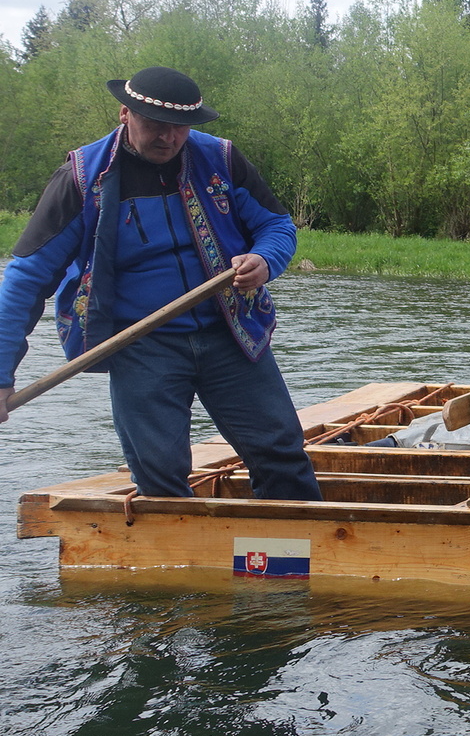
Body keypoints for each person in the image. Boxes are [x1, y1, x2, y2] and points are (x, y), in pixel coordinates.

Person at [0, 67, 322, 501]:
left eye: (179, 128)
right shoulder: (81, 178)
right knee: (160, 476)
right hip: (140, 344)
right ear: (124, 114)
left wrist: (265, 260)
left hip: (231, 331)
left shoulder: (221, 159)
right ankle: (176, 546)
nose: (168, 138)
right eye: (154, 125)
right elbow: (26, 279)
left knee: (281, 453)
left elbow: (276, 226)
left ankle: (293, 544)